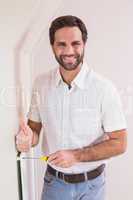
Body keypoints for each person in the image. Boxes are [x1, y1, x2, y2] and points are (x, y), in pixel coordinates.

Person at [16, 15, 127, 200]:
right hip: (55, 184)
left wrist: (76, 156)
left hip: (93, 186)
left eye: (75, 43)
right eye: (61, 44)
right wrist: (28, 139)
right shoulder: (41, 83)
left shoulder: (104, 88)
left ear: (84, 45)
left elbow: (120, 143)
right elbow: (34, 130)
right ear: (52, 46)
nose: (69, 51)